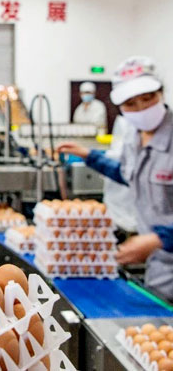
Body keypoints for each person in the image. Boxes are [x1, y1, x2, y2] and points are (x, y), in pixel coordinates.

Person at [58, 56, 173, 301]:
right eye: (131, 103)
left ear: (161, 93)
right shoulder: (134, 137)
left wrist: (159, 240)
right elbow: (128, 174)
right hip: (160, 268)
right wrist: (89, 156)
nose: (141, 108)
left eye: (148, 98)